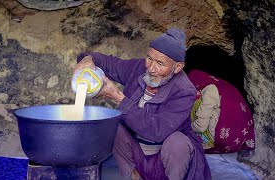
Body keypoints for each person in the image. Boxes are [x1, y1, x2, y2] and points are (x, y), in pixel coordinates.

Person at [74, 28, 211, 180]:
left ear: (177, 67)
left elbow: (156, 131)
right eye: (149, 58)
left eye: (160, 63)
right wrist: (87, 59)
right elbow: (109, 63)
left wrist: (119, 97)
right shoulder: (139, 68)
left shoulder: (184, 91)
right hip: (140, 154)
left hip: (166, 159)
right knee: (112, 125)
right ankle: (134, 176)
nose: (151, 68)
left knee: (177, 143)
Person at [188, 69, 255, 155]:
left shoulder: (210, 90)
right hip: (238, 138)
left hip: (223, 138)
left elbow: (201, 126)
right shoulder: (222, 87)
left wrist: (188, 128)